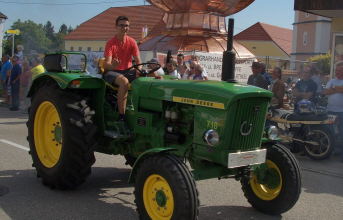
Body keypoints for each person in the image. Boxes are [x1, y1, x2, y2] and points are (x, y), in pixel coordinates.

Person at [103, 15, 142, 121]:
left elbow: (138, 61)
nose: (124, 28)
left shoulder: (132, 42)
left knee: (151, 75)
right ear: (116, 26)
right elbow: (106, 65)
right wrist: (113, 65)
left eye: (126, 26)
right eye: (121, 25)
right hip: (112, 72)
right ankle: (121, 116)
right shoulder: (111, 43)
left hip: (128, 71)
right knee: (124, 81)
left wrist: (140, 70)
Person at [323, 61, 343, 162]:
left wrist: (333, 88)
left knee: (342, 133)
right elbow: (326, 92)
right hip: (330, 110)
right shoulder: (331, 80)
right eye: (337, 70)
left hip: (342, 112)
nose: (338, 72)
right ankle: (332, 150)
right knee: (330, 132)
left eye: (340, 70)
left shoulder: (332, 84)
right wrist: (337, 89)